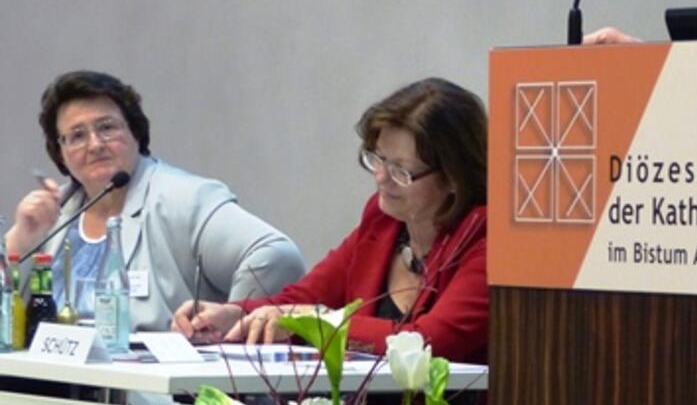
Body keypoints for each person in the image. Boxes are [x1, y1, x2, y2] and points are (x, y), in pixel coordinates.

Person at [172, 77, 488, 363]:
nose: (380, 178)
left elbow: (428, 342)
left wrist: (317, 322)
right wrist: (233, 315)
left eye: (400, 171)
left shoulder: (486, 239)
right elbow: (303, 299)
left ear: (453, 177)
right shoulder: (383, 221)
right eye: (377, 159)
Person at [3, 70, 307, 331]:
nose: (94, 145)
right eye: (77, 135)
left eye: (107, 127)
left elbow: (277, 256)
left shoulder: (184, 200)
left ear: (135, 132)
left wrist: (232, 330)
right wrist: (21, 240)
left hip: (150, 381)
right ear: (60, 153)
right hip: (47, 377)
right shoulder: (55, 213)